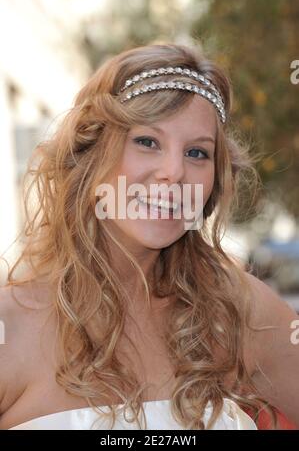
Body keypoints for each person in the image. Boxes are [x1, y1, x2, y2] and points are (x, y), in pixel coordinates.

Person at [0, 42, 298, 430]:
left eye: (197, 153)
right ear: (91, 156)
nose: (173, 172)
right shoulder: (12, 326)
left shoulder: (241, 313)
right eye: (146, 142)